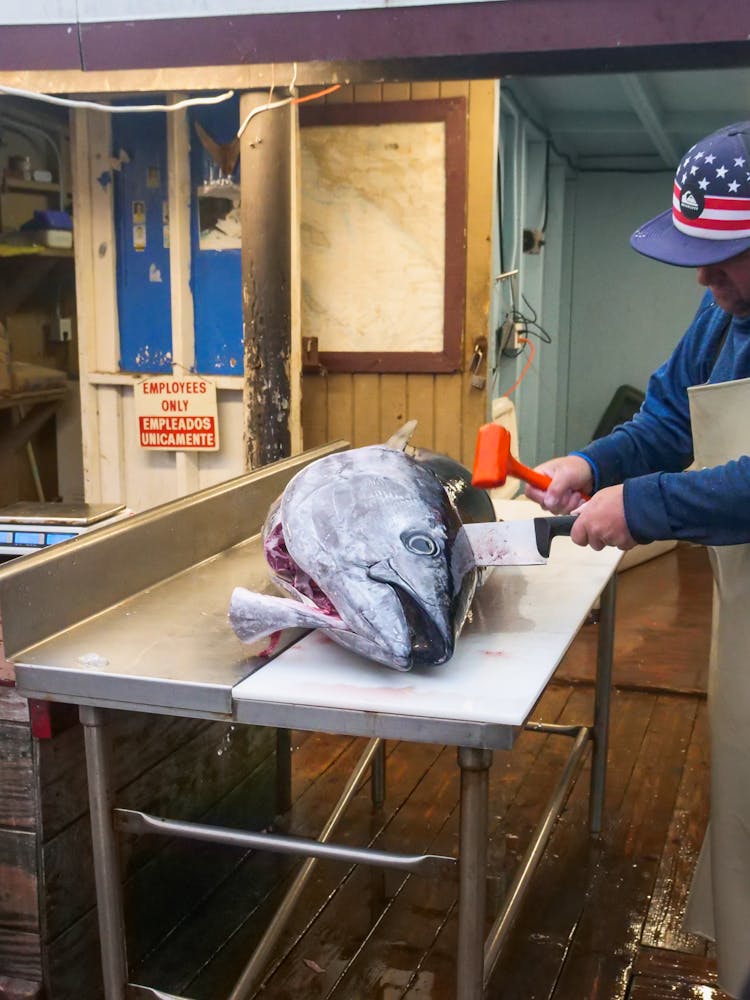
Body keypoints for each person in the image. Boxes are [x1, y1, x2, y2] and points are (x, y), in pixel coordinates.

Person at [525, 121, 750, 999]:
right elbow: (669, 422)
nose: (703, 277)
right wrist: (589, 464)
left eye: (724, 256)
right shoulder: (723, 309)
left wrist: (642, 507)